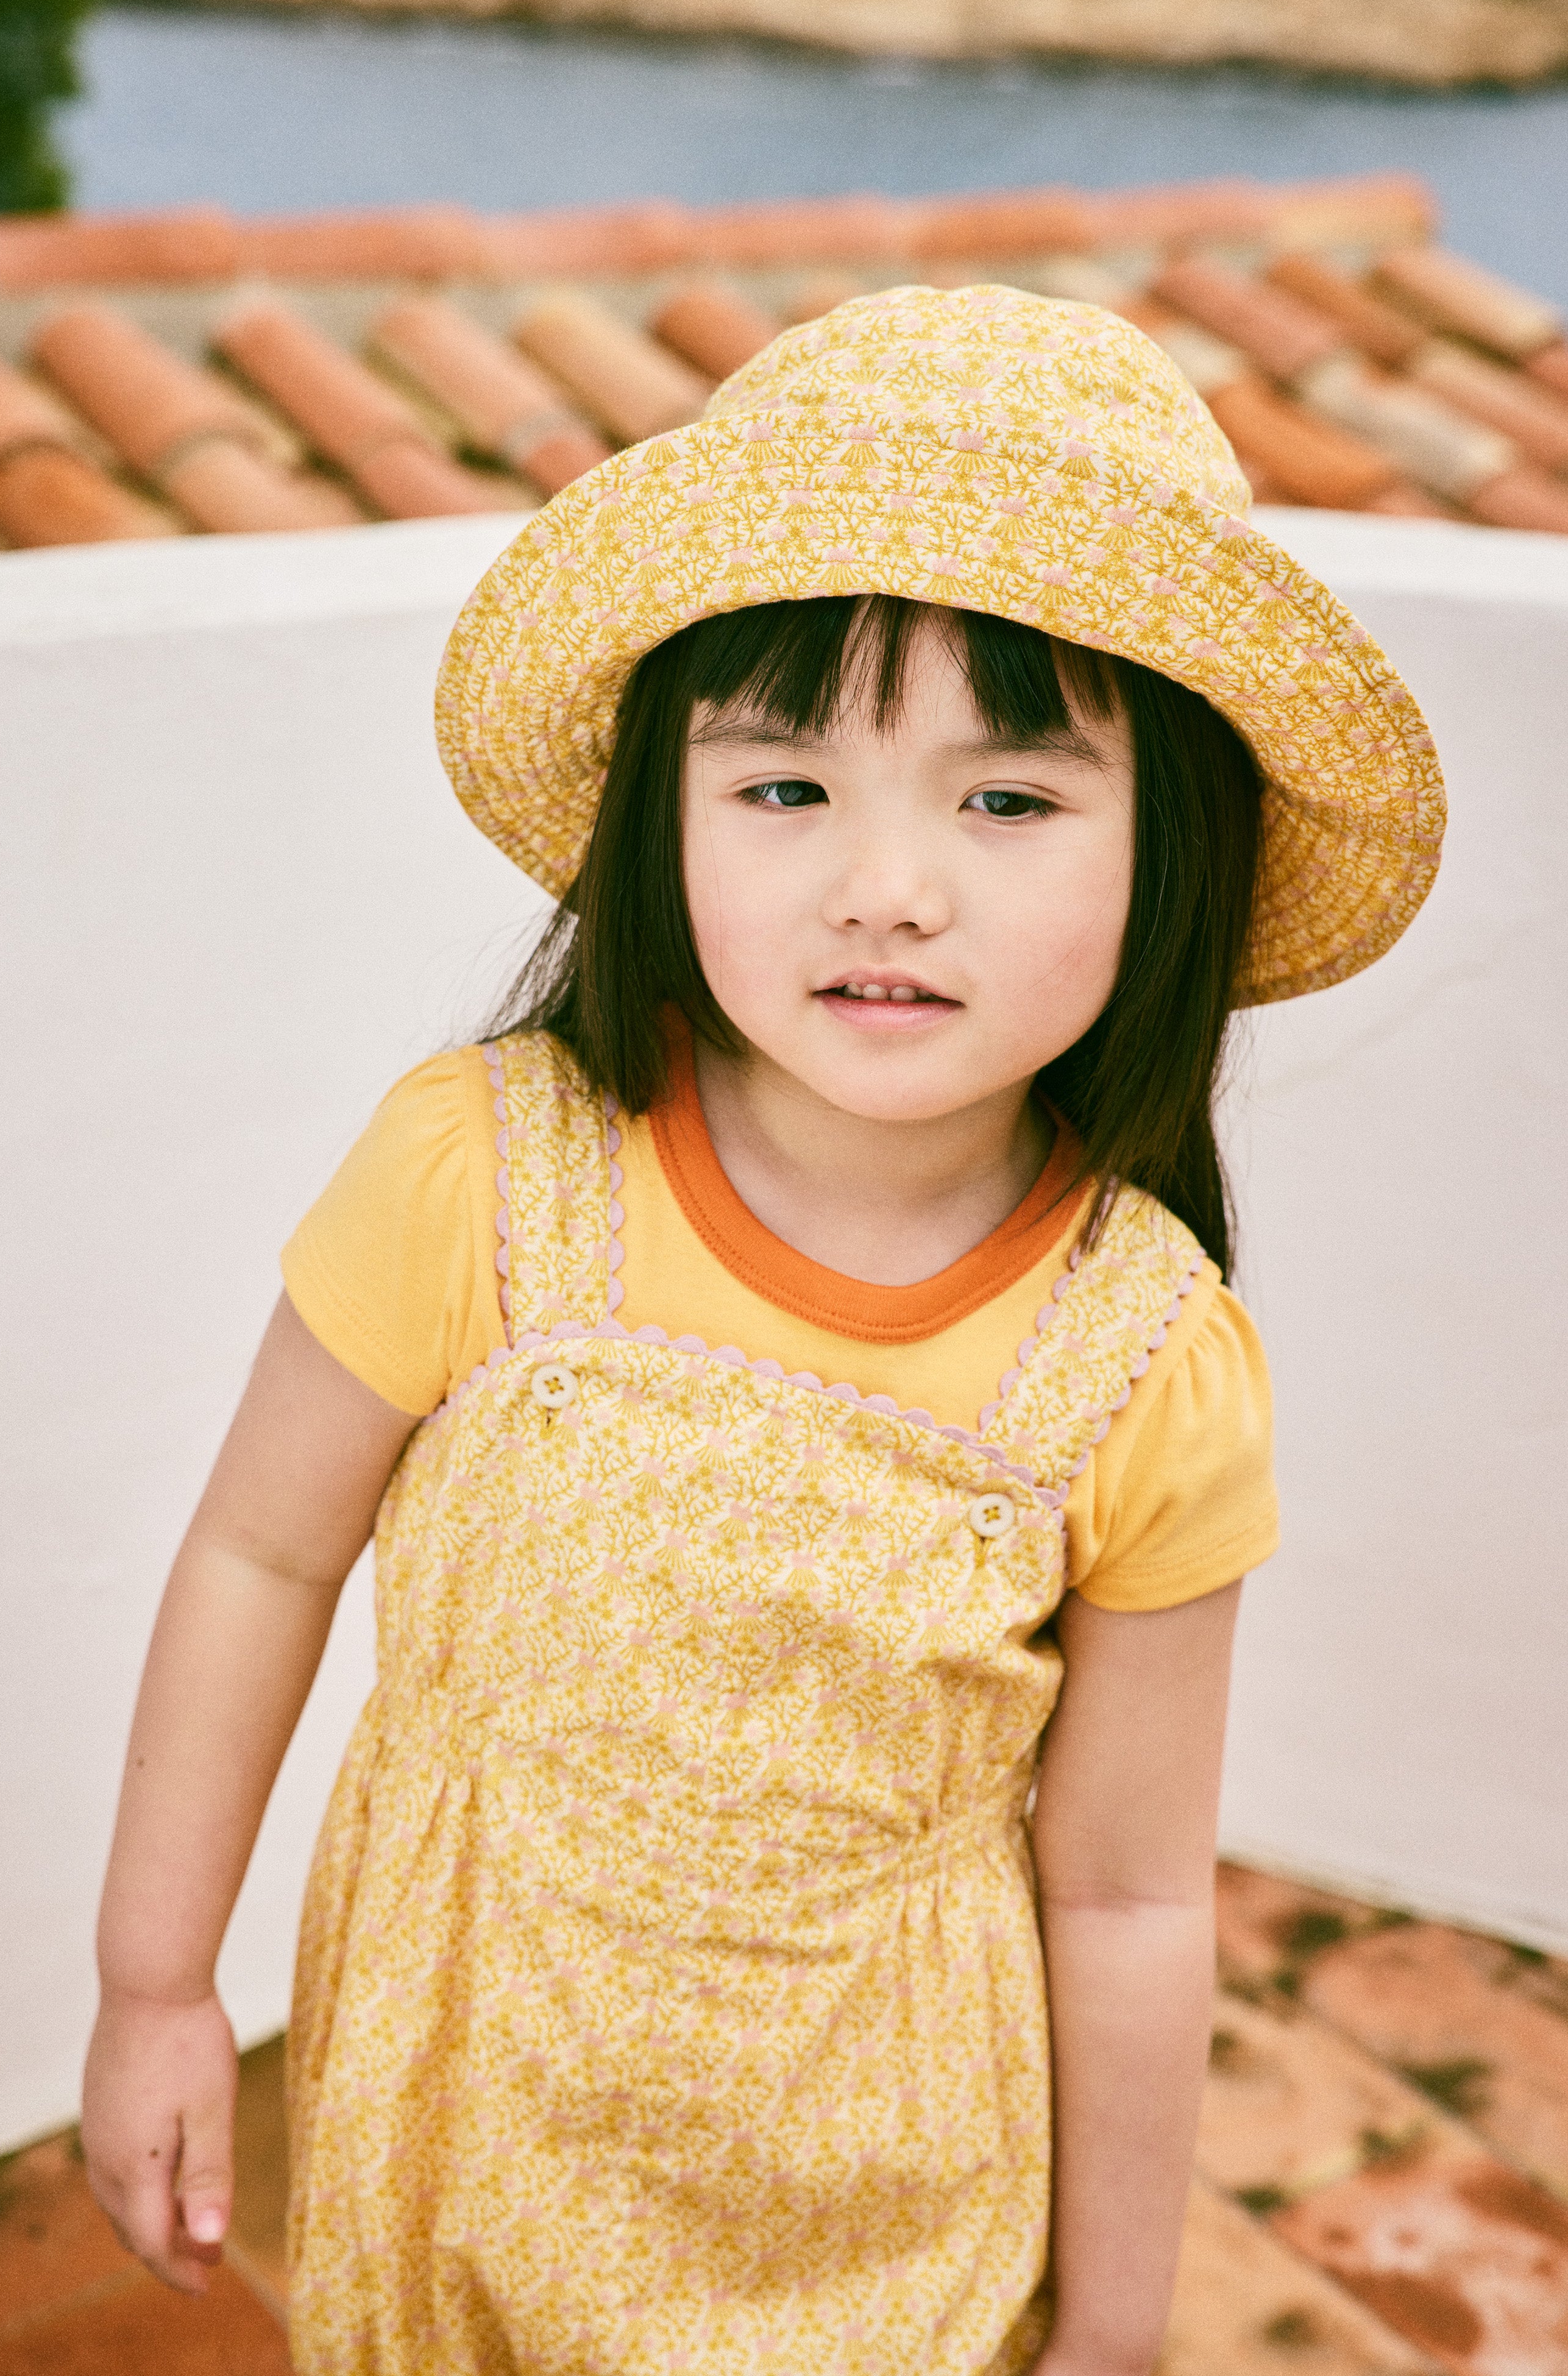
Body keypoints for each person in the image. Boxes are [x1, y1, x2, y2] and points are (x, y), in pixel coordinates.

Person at [81, 283, 1444, 2375]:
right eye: (785, 785)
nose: (884, 887)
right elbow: (259, 1553)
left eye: (1007, 801)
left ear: (1172, 858)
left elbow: (1127, 1896)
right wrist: (156, 1981)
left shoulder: (1145, 1356)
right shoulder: (485, 1176)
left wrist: (1113, 2329)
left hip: (881, 2197)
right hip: (464, 2102)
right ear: (663, 810)